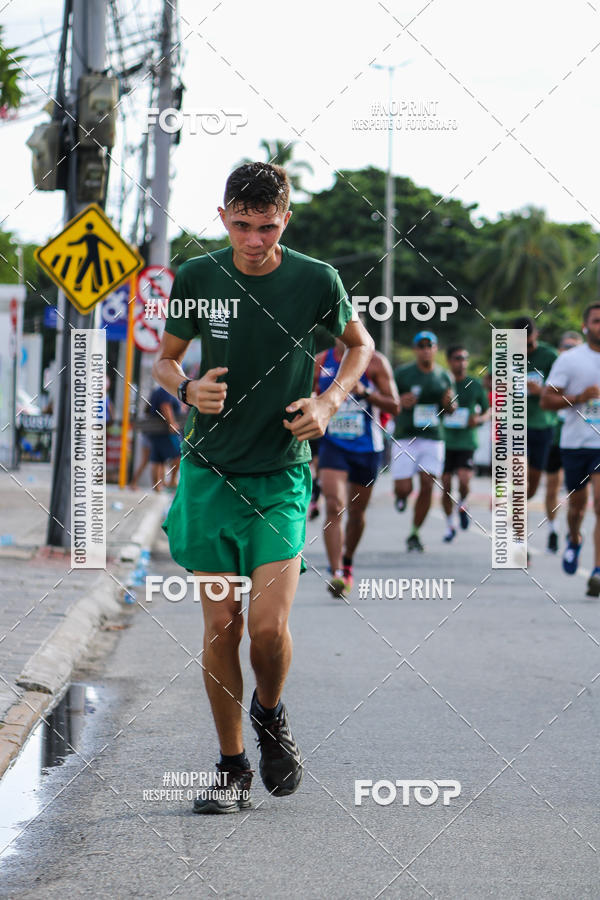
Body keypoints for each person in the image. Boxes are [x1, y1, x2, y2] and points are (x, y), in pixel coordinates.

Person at [153, 162, 373, 813]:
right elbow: (162, 362)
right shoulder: (198, 276)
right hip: (209, 474)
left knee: (267, 632)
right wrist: (188, 388)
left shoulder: (315, 279)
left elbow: (358, 346)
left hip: (278, 477)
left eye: (268, 226)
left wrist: (329, 402)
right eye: (242, 225)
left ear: (287, 219)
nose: (254, 239)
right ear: (223, 218)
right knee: (222, 625)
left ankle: (270, 714)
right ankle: (230, 768)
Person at [314, 337, 400, 596]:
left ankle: (347, 559)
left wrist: (366, 392)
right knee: (334, 505)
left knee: (357, 513)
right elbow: (307, 396)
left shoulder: (375, 362)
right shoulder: (321, 362)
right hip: (333, 445)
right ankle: (337, 572)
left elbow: (394, 405)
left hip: (367, 448)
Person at [541, 305, 600, 596]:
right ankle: (574, 538)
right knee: (577, 507)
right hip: (575, 443)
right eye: (596, 321)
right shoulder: (570, 360)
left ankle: (598, 570)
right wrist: (579, 397)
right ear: (585, 325)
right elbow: (546, 400)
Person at [392, 331, 455, 552]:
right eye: (422, 346)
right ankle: (401, 497)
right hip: (405, 435)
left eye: (430, 345)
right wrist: (399, 401)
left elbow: (450, 409)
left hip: (433, 437)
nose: (426, 349)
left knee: (428, 485)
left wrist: (449, 405)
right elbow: (389, 402)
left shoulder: (444, 376)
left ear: (436, 349)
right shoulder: (402, 374)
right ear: (415, 349)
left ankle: (414, 533)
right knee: (404, 487)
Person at [441, 345, 490, 542]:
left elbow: (489, 410)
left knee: (463, 479)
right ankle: (449, 524)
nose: (461, 362)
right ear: (449, 361)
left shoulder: (475, 385)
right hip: (444, 441)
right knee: (445, 484)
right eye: (457, 358)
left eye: (464, 358)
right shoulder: (441, 382)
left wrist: (478, 420)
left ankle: (462, 502)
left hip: (466, 441)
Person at [543, 331, 583, 553]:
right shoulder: (552, 373)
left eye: (574, 347)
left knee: (576, 492)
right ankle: (552, 529)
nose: (570, 351)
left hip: (579, 441)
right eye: (566, 346)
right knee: (552, 487)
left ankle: (574, 530)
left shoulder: (587, 374)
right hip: (554, 437)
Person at [513, 317, 558, 501]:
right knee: (518, 477)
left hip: (543, 425)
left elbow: (562, 388)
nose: (525, 346)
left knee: (531, 487)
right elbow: (489, 380)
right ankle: (510, 514)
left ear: (536, 334)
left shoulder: (550, 356)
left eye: (529, 342)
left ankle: (515, 505)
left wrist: (542, 391)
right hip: (515, 424)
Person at [146, 385, 182, 491]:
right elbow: (165, 406)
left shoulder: (157, 390)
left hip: (155, 430)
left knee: (157, 458)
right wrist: (172, 424)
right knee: (179, 454)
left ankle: (157, 487)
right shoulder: (166, 389)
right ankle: (172, 481)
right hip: (165, 430)